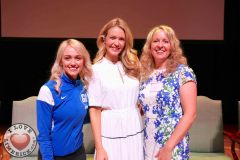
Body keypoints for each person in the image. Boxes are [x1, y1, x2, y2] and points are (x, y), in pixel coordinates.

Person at [88, 17, 144, 160]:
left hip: (135, 129)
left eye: (121, 39)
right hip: (109, 133)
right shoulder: (95, 70)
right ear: (104, 39)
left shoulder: (133, 66)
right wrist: (99, 148)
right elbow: (94, 111)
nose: (116, 43)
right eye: (112, 38)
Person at [138, 25, 197, 160]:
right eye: (156, 41)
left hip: (172, 142)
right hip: (147, 139)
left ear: (172, 46)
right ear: (149, 46)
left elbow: (190, 114)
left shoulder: (183, 73)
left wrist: (168, 147)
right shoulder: (145, 75)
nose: (160, 45)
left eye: (165, 41)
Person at [36, 39, 92, 160]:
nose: (73, 63)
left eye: (78, 58)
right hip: (53, 156)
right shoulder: (48, 90)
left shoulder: (83, 87)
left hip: (78, 153)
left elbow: (83, 117)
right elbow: (44, 136)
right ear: (60, 61)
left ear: (84, 61)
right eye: (67, 58)